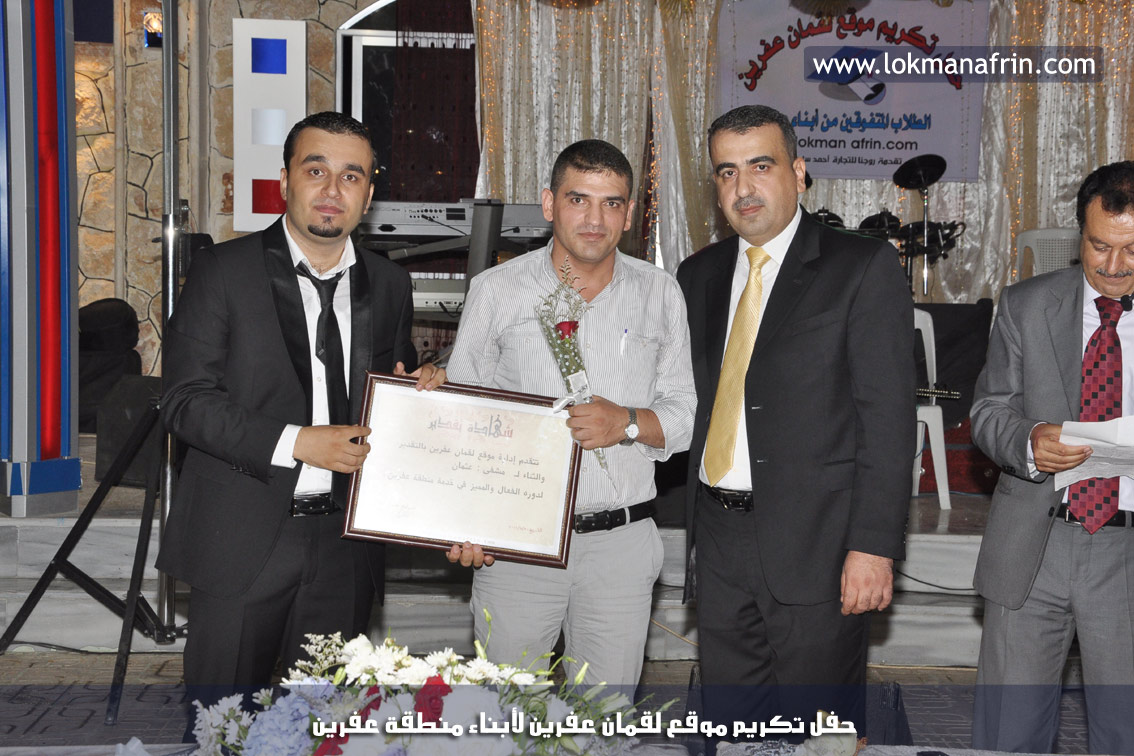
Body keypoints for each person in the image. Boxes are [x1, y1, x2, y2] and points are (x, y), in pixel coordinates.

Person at [158, 111, 444, 710]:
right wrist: (298, 442)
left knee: (324, 727)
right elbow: (185, 403)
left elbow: (386, 391)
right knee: (223, 728)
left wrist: (420, 391)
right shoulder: (223, 271)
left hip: (346, 545)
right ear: (285, 179)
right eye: (316, 171)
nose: (333, 189)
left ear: (369, 193)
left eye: (351, 175)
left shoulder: (390, 284)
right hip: (241, 537)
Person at [675, 105, 914, 731]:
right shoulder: (697, 276)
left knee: (818, 733)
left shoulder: (860, 266)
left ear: (799, 172)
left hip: (819, 546)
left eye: (761, 166)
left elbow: (888, 422)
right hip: (718, 541)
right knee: (732, 730)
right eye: (727, 172)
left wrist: (873, 547)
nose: (743, 188)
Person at [445, 139, 696, 687]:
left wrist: (626, 422)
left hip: (621, 545)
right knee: (505, 714)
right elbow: (463, 420)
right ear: (549, 203)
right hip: (518, 546)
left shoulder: (660, 293)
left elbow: (683, 416)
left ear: (629, 213)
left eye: (611, 203)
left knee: (604, 719)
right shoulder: (495, 291)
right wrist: (464, 522)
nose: (594, 219)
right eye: (578, 199)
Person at [970, 160, 1134, 755]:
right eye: (1098, 246)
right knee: (1008, 736)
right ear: (1078, 236)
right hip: (1034, 546)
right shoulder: (1027, 305)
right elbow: (988, 411)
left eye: (1131, 250)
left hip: (1126, 552)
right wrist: (1029, 439)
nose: (1112, 265)